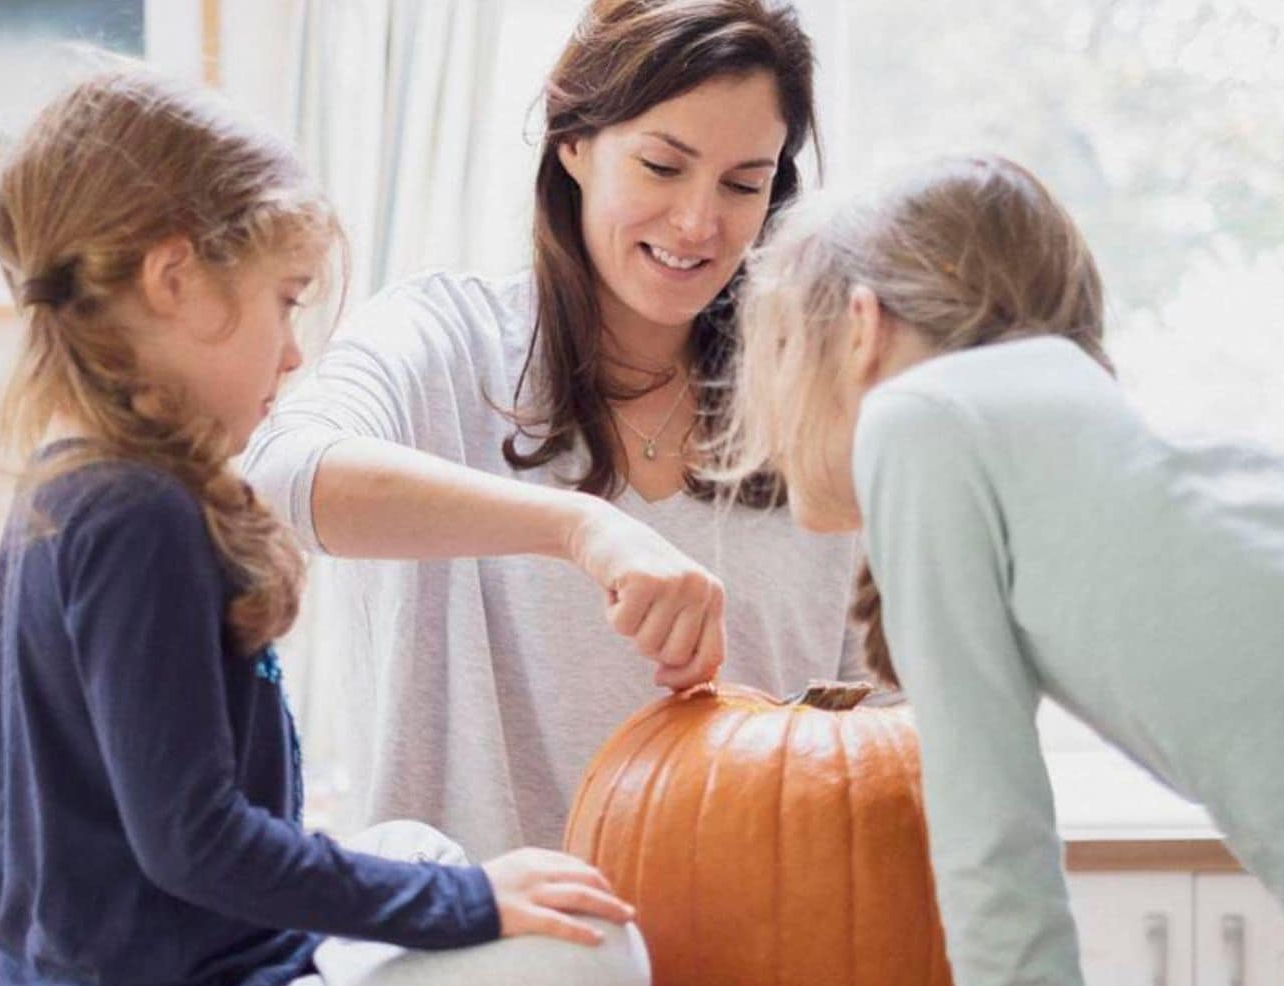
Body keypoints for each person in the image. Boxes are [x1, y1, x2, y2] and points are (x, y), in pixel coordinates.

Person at [714, 153, 1284, 986]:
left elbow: (995, 854)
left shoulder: (920, 417)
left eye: (778, 349)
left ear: (861, 326)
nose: (767, 407)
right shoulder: (1070, 427)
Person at [0, 66, 689, 986]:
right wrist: (473, 908)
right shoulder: (137, 513)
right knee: (603, 962)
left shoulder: (77, 486)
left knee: (420, 846)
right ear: (175, 281)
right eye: (284, 300)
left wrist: (454, 896)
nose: (295, 353)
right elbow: (196, 844)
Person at [244, 0, 869, 858]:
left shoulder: (815, 412)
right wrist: (584, 527)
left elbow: (873, 741)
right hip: (478, 968)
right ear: (573, 142)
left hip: (753, 964)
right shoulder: (443, 343)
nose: (698, 222)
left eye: (743, 183)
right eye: (661, 166)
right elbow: (273, 484)